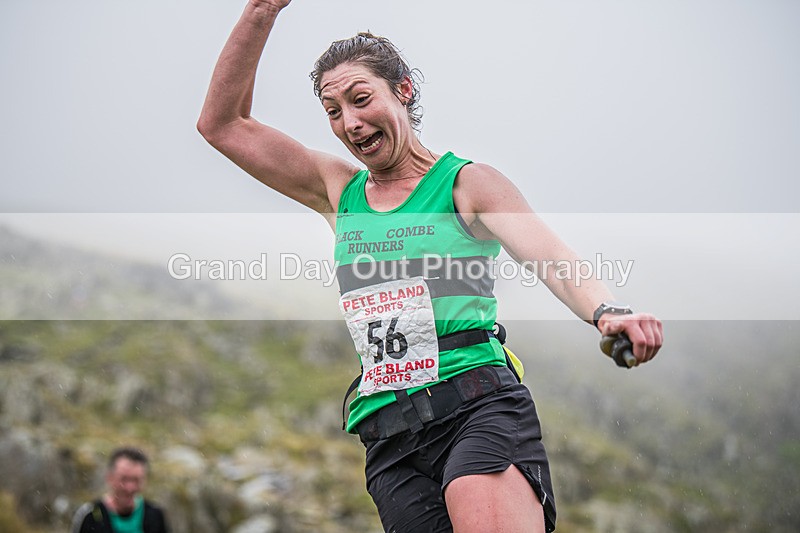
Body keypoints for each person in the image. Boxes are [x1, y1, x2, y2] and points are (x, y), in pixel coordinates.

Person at [197, 1, 663, 531]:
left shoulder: (466, 184)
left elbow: (551, 257)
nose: (350, 122)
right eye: (333, 111)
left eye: (361, 99)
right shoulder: (338, 191)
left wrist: (607, 312)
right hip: (389, 437)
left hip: (476, 407)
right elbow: (222, 125)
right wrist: (261, 10)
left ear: (404, 90)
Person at [71, 447, 169, 533]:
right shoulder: (90, 515)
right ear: (109, 477)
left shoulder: (155, 515)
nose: (129, 488)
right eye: (124, 479)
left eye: (136, 480)